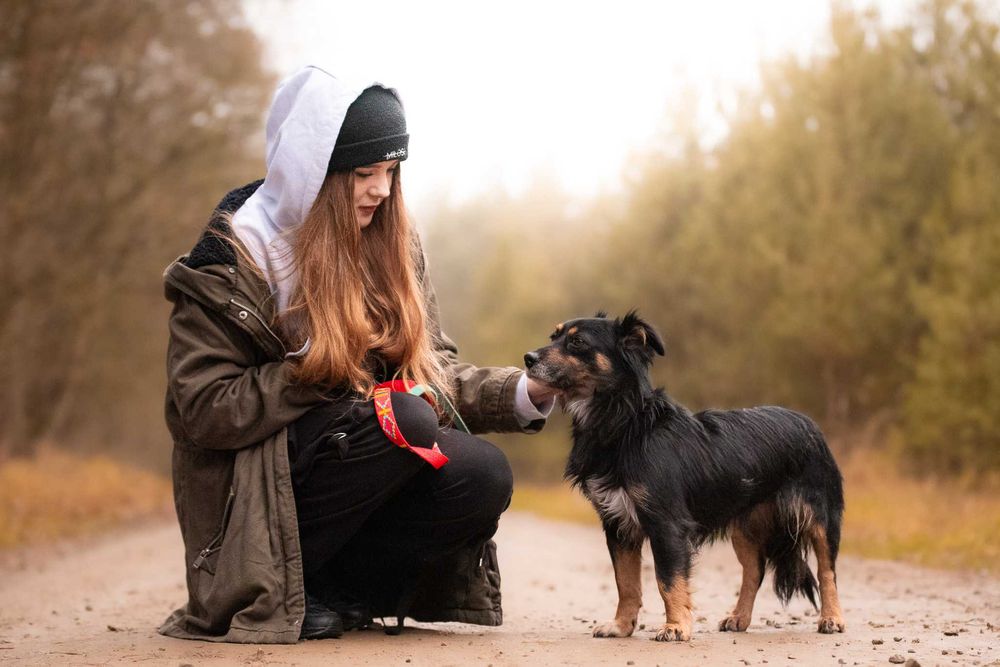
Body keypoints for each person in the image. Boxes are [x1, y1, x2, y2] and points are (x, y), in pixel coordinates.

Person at [158, 66, 556, 644]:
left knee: (481, 473)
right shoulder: (229, 261)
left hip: (355, 449)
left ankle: (345, 590)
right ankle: (290, 586)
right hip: (256, 496)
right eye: (364, 172)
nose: (382, 189)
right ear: (312, 172)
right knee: (405, 422)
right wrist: (313, 369)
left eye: (392, 171)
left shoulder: (390, 239)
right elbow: (203, 409)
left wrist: (527, 392)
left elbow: (429, 369)